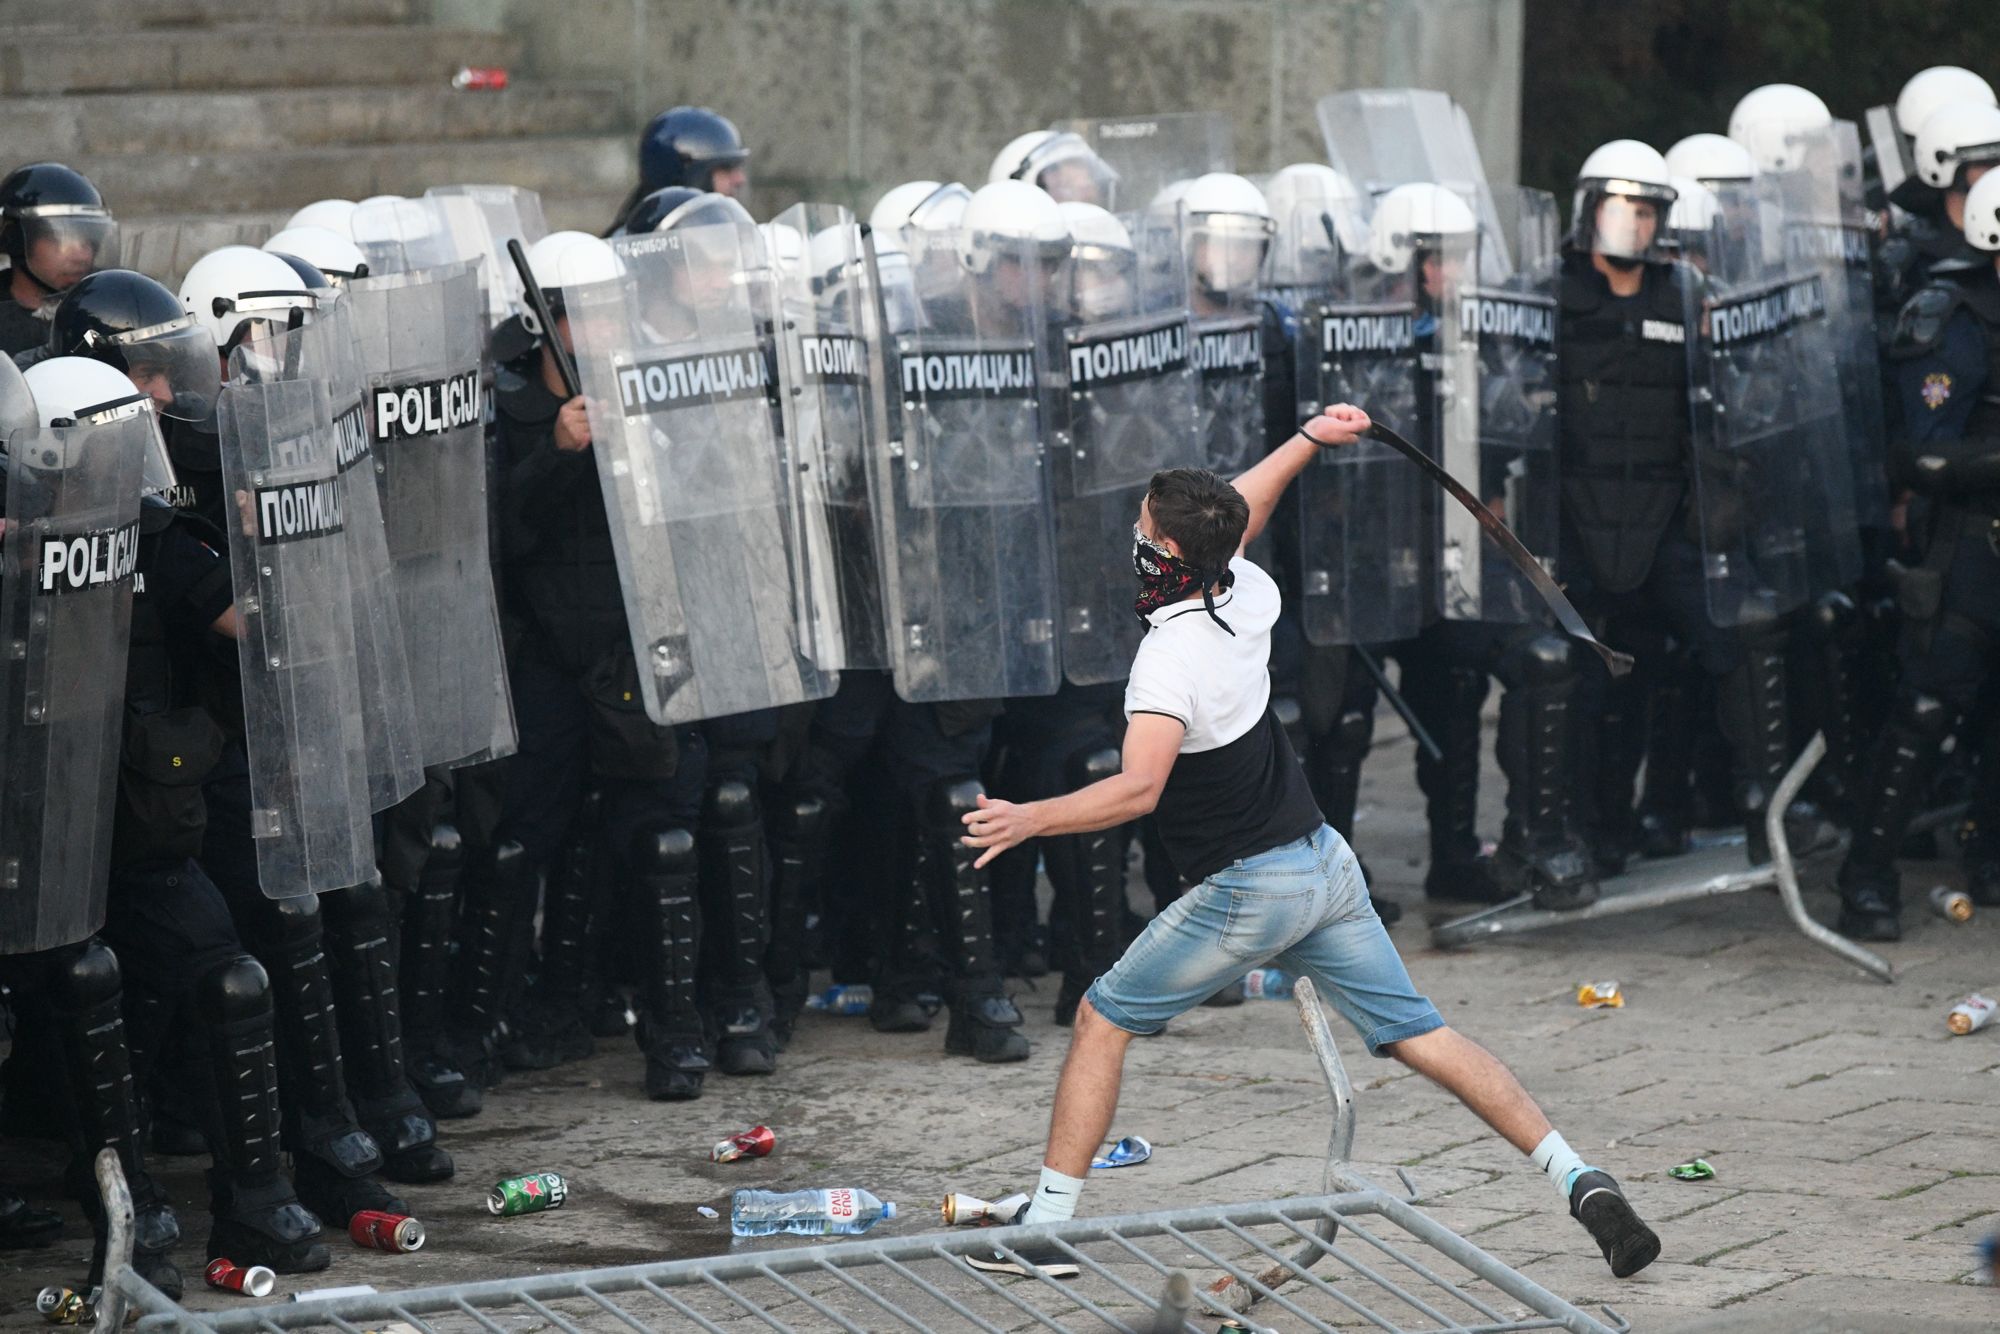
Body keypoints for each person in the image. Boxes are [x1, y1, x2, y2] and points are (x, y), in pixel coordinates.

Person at [959, 405, 1661, 1280]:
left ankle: (1042, 1233)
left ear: (1169, 557)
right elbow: (1242, 507)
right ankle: (1581, 1178)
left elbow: (1138, 789)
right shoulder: (1246, 590)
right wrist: (1308, 440)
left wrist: (1030, 817)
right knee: (1425, 1035)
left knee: (1102, 1017)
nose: (1131, 538)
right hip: (1324, 864)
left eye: (1142, 529)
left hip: (1249, 888)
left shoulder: (1167, 662)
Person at [1833, 166, 2000, 939]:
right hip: (1971, 545)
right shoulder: (1956, 315)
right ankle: (1866, 874)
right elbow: (1922, 458)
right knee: (1927, 708)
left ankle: (1991, 857)